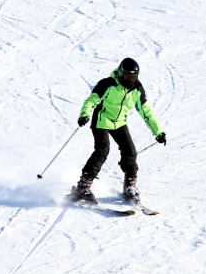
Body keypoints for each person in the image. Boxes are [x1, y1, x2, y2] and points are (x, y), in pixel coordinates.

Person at [70, 57, 167, 204]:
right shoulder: (108, 84)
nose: (131, 79)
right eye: (128, 76)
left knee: (130, 152)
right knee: (102, 151)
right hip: (102, 120)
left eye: (134, 76)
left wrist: (158, 132)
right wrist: (84, 114)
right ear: (121, 73)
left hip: (119, 122)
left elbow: (146, 111)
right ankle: (82, 187)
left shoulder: (137, 89)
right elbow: (92, 100)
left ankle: (130, 187)